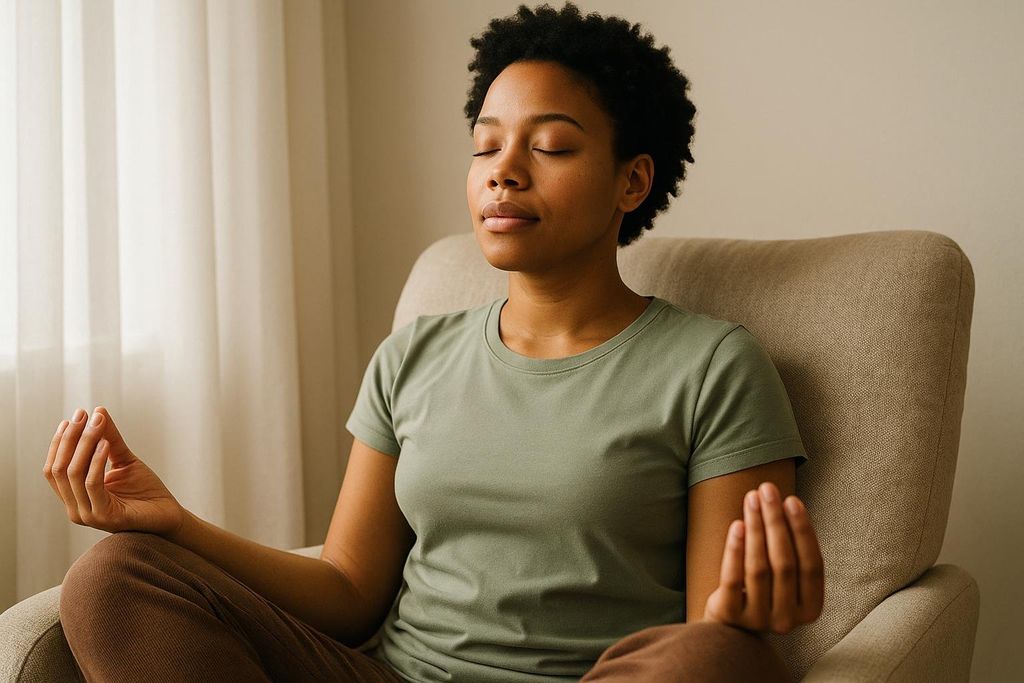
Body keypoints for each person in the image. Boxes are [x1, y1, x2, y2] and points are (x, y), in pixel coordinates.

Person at [49, 3, 823, 681]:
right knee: (114, 575)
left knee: (714, 658)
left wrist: (741, 627)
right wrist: (175, 521)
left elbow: (708, 629)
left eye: (549, 146)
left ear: (632, 181)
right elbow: (350, 591)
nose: (504, 173)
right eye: (486, 146)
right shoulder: (412, 356)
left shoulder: (713, 366)